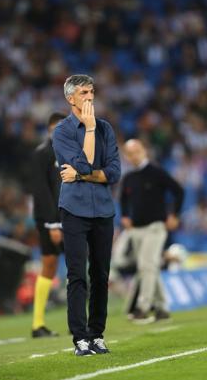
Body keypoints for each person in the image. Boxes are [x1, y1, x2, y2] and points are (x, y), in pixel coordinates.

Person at [52, 74, 121, 356]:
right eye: (84, 93)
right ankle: (80, 338)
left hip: (103, 210)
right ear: (71, 98)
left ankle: (97, 334)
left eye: (92, 92)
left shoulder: (107, 129)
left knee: (101, 275)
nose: (90, 97)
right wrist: (89, 131)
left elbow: (114, 172)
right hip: (74, 211)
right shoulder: (62, 131)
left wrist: (81, 175)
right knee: (77, 274)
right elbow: (87, 162)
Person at [120, 139, 184, 323]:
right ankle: (162, 308)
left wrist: (175, 215)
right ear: (126, 156)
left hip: (155, 227)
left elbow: (178, 190)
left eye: (137, 151)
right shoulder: (129, 177)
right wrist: (125, 215)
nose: (134, 156)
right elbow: (124, 198)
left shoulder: (156, 172)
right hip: (137, 229)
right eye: (130, 153)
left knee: (146, 265)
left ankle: (143, 306)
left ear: (144, 151)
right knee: (150, 267)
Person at [30, 112, 66, 338]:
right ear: (49, 129)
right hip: (49, 220)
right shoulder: (42, 154)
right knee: (49, 265)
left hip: (69, 216)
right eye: (54, 127)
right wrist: (53, 224)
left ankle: (78, 321)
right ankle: (37, 324)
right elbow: (41, 191)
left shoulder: (72, 149)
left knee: (75, 265)